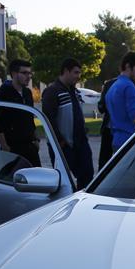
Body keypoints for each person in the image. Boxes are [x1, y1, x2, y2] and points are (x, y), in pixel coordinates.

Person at [42, 58, 93, 189]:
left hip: (80, 143)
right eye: (75, 72)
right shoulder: (52, 91)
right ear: (66, 71)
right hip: (63, 145)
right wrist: (60, 141)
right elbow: (48, 119)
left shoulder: (73, 91)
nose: (78, 76)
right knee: (62, 181)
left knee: (87, 176)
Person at [97, 71, 135, 168]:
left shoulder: (110, 84)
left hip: (111, 128)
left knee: (105, 163)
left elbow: (101, 107)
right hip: (129, 131)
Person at [0, 59, 40, 167]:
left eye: (29, 73)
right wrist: (4, 146)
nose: (28, 76)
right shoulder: (4, 93)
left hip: (29, 145)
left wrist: (35, 139)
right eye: (24, 73)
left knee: (36, 178)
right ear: (14, 74)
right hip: (12, 146)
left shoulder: (27, 93)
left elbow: (30, 118)